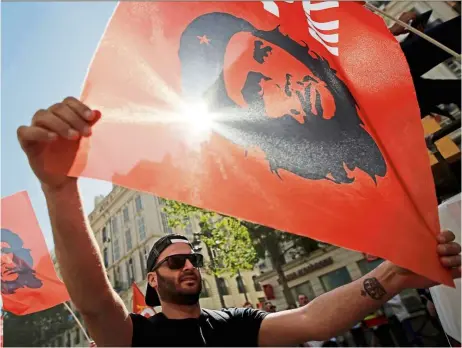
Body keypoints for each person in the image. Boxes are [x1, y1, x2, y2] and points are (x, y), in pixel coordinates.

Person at [16, 97, 462, 346]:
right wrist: (60, 190)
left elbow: (311, 321)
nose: (188, 265)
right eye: (174, 263)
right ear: (152, 278)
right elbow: (94, 303)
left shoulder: (232, 323)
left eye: (191, 258)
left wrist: (392, 275)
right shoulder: (136, 335)